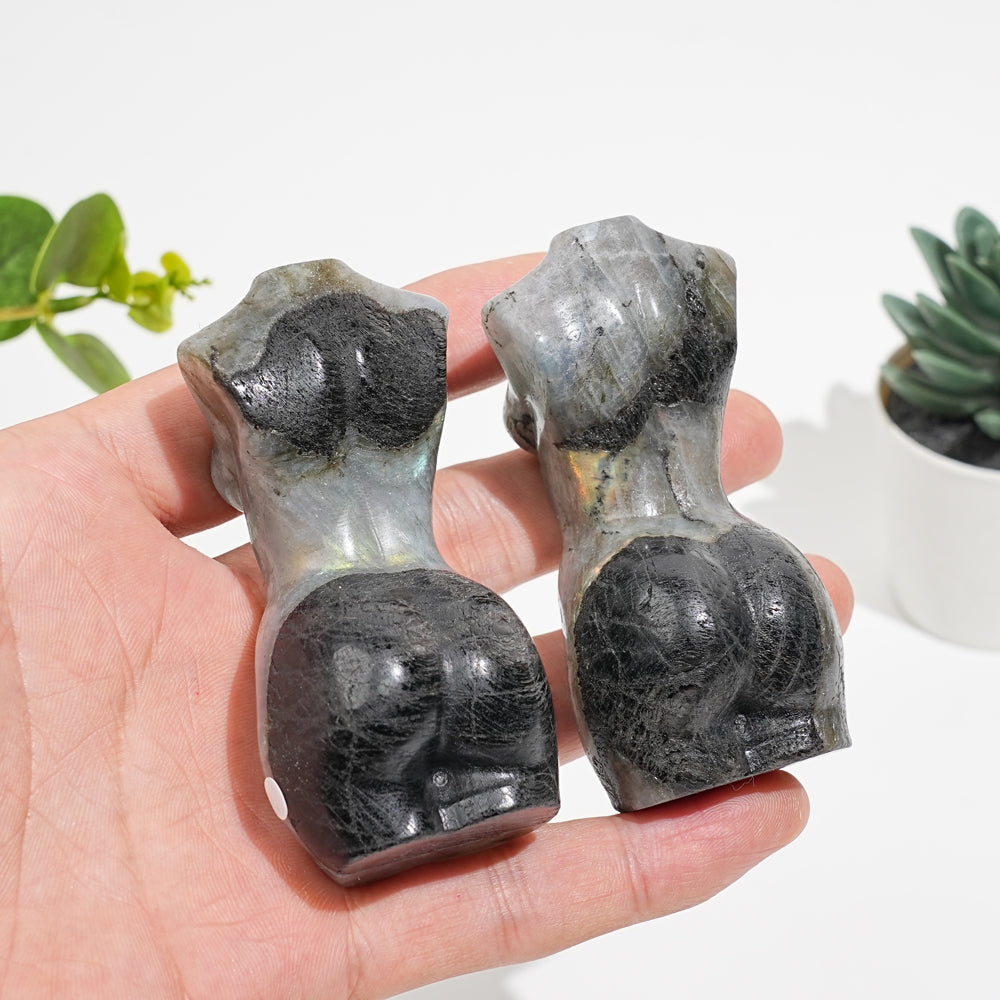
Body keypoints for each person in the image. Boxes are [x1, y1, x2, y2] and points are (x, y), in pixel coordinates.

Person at [0, 255, 852, 998]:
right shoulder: (421, 325)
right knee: (631, 764)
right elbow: (530, 425)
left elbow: (236, 476)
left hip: (343, 628)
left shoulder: (222, 353)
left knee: (379, 825)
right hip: (502, 609)